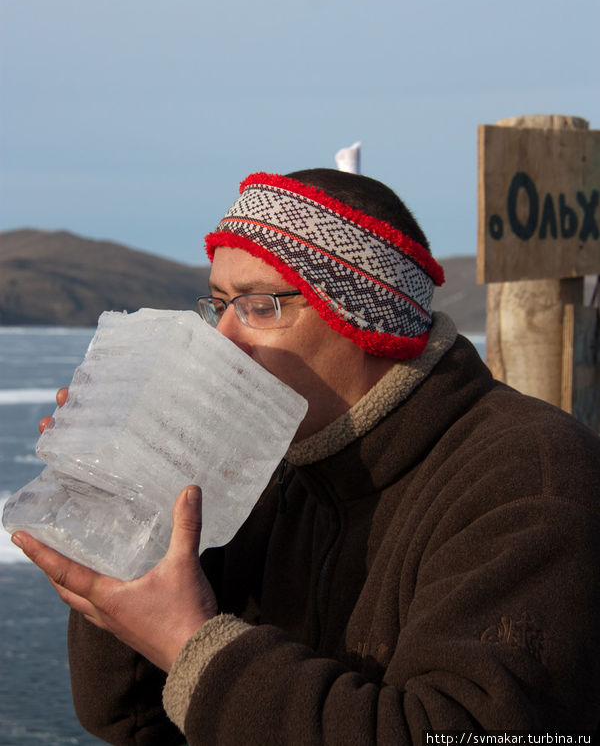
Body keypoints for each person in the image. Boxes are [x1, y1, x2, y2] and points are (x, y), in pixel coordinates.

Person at [13, 168, 600, 744]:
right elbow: (129, 720)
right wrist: (133, 509)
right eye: (218, 303)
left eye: (259, 305)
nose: (223, 338)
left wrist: (190, 645)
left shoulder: (533, 472)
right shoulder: (261, 468)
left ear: (368, 319)